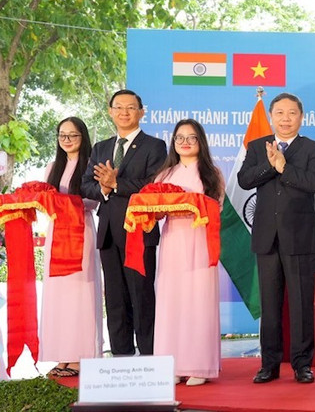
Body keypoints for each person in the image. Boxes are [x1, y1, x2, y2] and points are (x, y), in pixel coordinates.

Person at [238, 93, 315, 384]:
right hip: (266, 237)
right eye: (280, 113)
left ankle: (303, 365)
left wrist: (284, 168)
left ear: (302, 117)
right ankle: (269, 365)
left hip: (299, 236)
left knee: (301, 304)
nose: (286, 118)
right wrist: (270, 163)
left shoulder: (313, 148)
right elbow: (244, 179)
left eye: (292, 113)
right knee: (270, 304)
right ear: (272, 116)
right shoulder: (256, 146)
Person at [82, 89, 167, 356]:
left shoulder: (155, 146)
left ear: (141, 112)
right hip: (107, 233)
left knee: (141, 297)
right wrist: (104, 190)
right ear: (110, 112)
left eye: (131, 108)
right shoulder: (101, 148)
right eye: (119, 107)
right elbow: (86, 186)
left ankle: (149, 359)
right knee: (116, 301)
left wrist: (116, 183)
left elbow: (152, 186)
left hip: (138, 233)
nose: (124, 112)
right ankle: (121, 359)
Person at [152, 119, 224, 386]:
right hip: (172, 242)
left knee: (198, 301)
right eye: (179, 137)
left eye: (191, 138)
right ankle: (173, 365)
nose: (185, 142)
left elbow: (216, 207)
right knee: (172, 302)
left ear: (201, 142)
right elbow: (156, 210)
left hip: (200, 242)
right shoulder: (164, 175)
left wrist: (190, 204)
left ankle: (199, 366)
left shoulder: (211, 173)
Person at [41, 117, 102, 377]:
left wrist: (63, 203)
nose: (67, 140)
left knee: (81, 294)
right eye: (62, 135)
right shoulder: (53, 167)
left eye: (73, 135)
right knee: (59, 295)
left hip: (81, 232)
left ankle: (81, 355)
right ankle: (63, 355)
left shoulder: (91, 166)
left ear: (83, 137)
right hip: (56, 235)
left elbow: (93, 201)